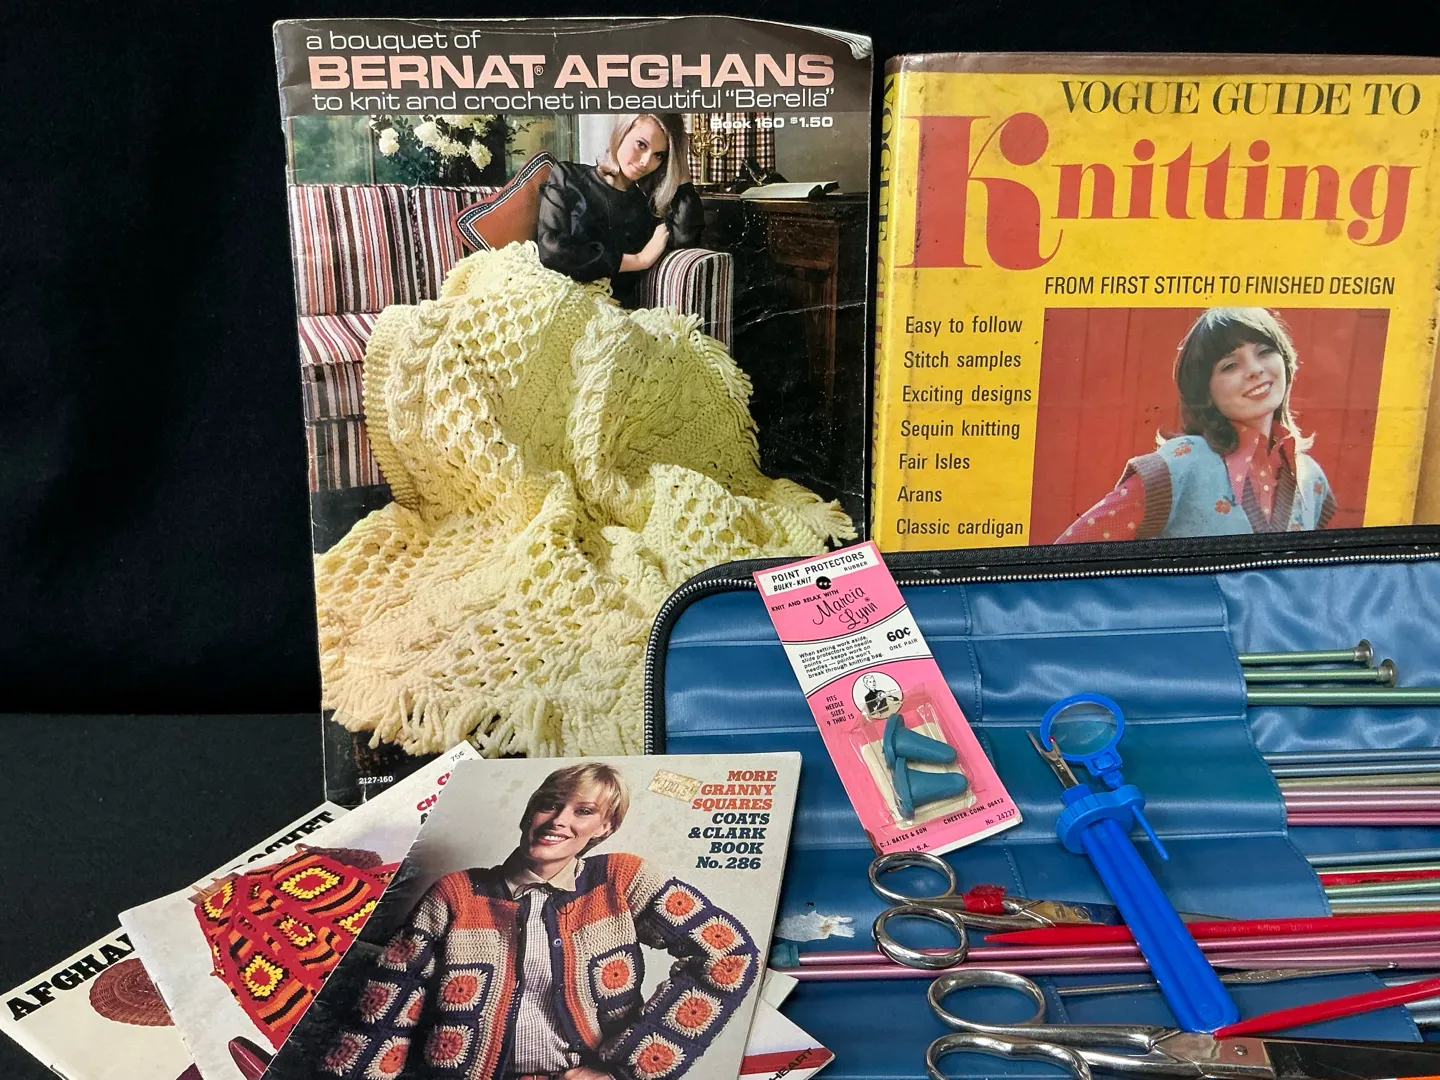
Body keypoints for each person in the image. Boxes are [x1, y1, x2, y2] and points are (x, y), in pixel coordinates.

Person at [317, 763, 757, 1080]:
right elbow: (387, 1004)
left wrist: (622, 1070)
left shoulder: (620, 879)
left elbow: (729, 955)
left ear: (605, 826)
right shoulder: (457, 893)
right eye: (550, 805)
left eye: (583, 811)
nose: (559, 821)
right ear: (529, 813)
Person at [1055, 307, 1337, 542]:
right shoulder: (1180, 465)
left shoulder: (1312, 479)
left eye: (1265, 351)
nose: (1254, 370)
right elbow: (1072, 552)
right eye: (1230, 365)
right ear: (1206, 393)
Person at [536, 113, 705, 310]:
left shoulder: (647, 206)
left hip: (611, 312)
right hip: (556, 299)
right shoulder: (568, 177)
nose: (645, 162)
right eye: (641, 145)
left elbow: (685, 238)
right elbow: (551, 250)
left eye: (659, 155)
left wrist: (680, 162)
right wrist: (637, 260)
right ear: (622, 132)